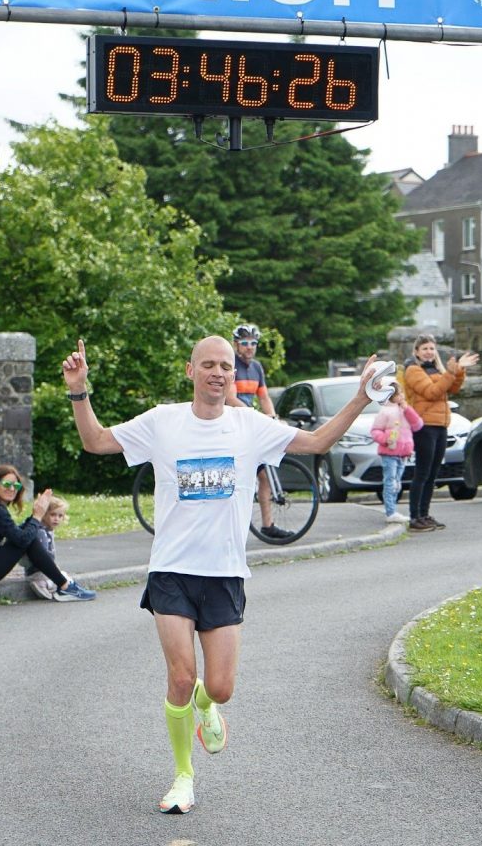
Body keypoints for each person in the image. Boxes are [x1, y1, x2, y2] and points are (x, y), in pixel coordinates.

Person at [62, 335, 377, 815]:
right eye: (207, 365)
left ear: (234, 375)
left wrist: (359, 397)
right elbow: (96, 441)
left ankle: (209, 705)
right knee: (181, 678)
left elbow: (316, 442)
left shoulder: (250, 426)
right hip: (171, 571)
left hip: (225, 573)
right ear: (190, 371)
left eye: (225, 366)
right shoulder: (162, 422)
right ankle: (183, 776)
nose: (217, 372)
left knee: (221, 686)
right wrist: (79, 391)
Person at [0, 464, 96, 601]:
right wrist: (37, 516)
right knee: (29, 539)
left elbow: (17, 533)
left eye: (16, 486)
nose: (12, 489)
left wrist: (35, 515)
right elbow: (22, 540)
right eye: (7, 485)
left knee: (27, 536)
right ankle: (64, 586)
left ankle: (59, 583)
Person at [404, 334, 479, 532]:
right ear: (417, 352)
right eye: (425, 349)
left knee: (432, 473)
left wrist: (459, 370)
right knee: (422, 471)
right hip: (425, 425)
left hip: (440, 424)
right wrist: (450, 373)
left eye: (431, 348)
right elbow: (432, 392)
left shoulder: (436, 369)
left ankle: (425, 514)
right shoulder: (413, 370)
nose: (429, 352)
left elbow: (452, 388)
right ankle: (415, 517)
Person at [224, 322, 290, 539]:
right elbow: (231, 398)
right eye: (244, 343)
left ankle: (268, 525)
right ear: (236, 345)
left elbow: (263, 397)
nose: (249, 347)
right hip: (231, 425)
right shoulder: (230, 364)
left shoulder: (257, 367)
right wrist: (257, 417)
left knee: (264, 475)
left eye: (253, 343)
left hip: (249, 426)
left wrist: (271, 417)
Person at [370, 387, 422, 524]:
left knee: (397, 483)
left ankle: (393, 510)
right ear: (391, 396)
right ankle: (390, 511)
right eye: (399, 394)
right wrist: (386, 439)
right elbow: (375, 431)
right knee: (390, 482)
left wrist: (407, 409)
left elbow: (418, 425)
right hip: (389, 452)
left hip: (403, 453)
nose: (402, 396)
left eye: (402, 393)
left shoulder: (405, 410)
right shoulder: (385, 411)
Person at [21, 493, 71, 601]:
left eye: (60, 516)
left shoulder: (48, 531)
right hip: (38, 572)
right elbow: (43, 555)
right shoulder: (41, 532)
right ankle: (45, 584)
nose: (56, 519)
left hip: (39, 572)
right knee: (65, 578)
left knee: (64, 575)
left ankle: (45, 585)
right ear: (44, 514)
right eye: (53, 515)